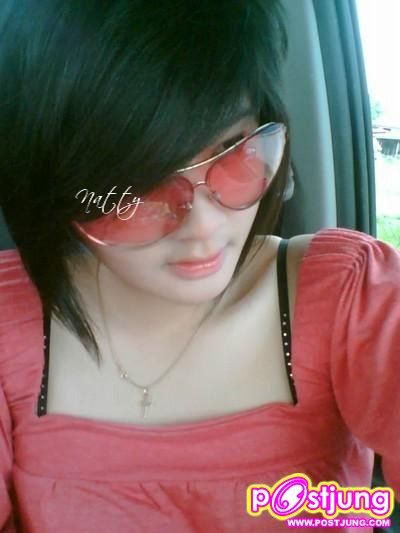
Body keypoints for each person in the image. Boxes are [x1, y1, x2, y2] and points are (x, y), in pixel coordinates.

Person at [0, 1, 398, 532]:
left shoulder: (353, 296)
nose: (204, 225)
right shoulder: (8, 325)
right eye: (138, 184)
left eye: (233, 149)